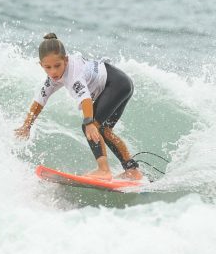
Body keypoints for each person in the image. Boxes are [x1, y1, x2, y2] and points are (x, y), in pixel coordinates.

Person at [15, 33, 143, 180]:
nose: (53, 72)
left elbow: (86, 99)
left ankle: (103, 170)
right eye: (47, 67)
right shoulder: (53, 77)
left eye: (57, 66)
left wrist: (89, 123)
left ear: (66, 60)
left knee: (90, 126)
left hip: (116, 85)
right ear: (41, 65)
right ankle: (132, 170)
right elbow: (39, 101)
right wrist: (27, 125)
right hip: (122, 83)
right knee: (104, 130)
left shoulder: (73, 74)